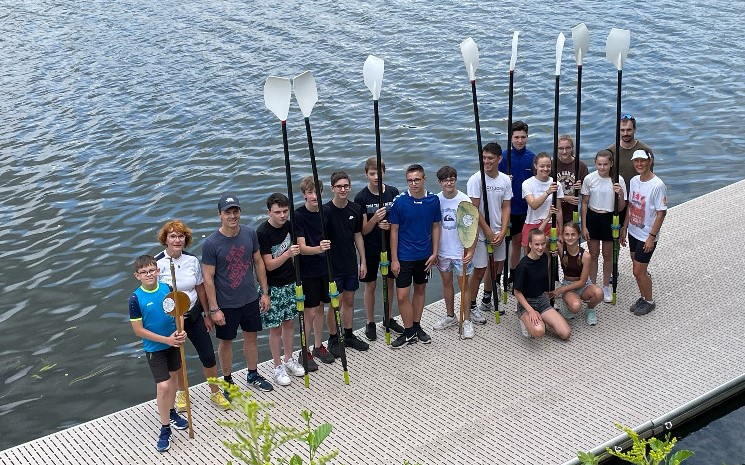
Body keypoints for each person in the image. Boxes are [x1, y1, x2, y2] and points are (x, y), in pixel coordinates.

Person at [155, 220, 231, 411]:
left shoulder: (192, 260)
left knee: (208, 355)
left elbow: (200, 288)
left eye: (181, 236)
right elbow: (154, 294)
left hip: (194, 314)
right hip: (172, 319)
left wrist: (206, 313)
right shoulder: (157, 263)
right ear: (165, 239)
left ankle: (215, 391)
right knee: (178, 359)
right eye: (172, 236)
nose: (177, 240)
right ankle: (182, 392)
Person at [202, 194, 273, 395]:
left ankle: (253, 374)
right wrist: (213, 309)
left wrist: (264, 293)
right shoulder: (211, 244)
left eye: (235, 211)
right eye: (228, 212)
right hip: (226, 304)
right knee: (226, 342)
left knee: (251, 337)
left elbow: (258, 262)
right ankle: (227, 381)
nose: (232, 216)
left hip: (250, 298)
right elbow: (208, 278)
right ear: (220, 215)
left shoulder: (250, 233)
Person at [128, 255, 189, 452]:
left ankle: (171, 412)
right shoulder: (135, 299)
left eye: (151, 270)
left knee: (174, 378)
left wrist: (180, 330)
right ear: (137, 275)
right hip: (155, 348)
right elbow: (138, 330)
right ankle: (165, 429)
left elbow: (178, 313)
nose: (149, 275)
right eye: (144, 272)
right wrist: (166, 340)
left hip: (174, 342)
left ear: (157, 271)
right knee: (163, 385)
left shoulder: (167, 289)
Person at [257, 193, 307, 386]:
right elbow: (268, 265)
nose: (282, 215)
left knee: (289, 323)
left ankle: (289, 358)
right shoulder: (263, 232)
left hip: (290, 282)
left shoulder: (290, 226)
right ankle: (277, 366)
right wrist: (287, 254)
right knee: (275, 328)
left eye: (285, 211)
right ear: (269, 212)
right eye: (278, 212)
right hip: (273, 286)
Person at [389, 164, 441, 349]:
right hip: (404, 256)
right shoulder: (400, 202)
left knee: (420, 289)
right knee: (402, 295)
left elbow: (436, 226)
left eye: (417, 180)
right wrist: (394, 259)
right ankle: (408, 330)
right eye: (410, 181)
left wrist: (435, 252)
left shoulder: (433, 200)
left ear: (424, 179)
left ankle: (416, 327)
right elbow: (394, 231)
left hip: (424, 255)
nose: (413, 184)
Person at [354, 157, 404, 341]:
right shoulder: (361, 197)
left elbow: (397, 222)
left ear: (384, 172)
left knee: (390, 282)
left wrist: (389, 225)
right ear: (366, 174)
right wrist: (374, 220)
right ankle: (370, 322)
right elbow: (363, 230)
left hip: (389, 244)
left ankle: (388, 317)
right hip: (371, 246)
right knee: (371, 285)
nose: (376, 177)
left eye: (379, 173)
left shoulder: (393, 192)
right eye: (372, 173)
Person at [324, 172, 369, 355]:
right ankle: (333, 338)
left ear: (350, 187)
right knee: (336, 302)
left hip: (350, 262)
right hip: (332, 266)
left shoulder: (355, 209)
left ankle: (348, 334)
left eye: (346, 186)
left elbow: (358, 235)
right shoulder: (325, 211)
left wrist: (363, 261)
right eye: (339, 186)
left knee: (349, 299)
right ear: (332, 188)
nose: (343, 189)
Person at [466, 142, 512, 320]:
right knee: (479, 270)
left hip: (499, 231)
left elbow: (506, 206)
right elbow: (474, 209)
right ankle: (471, 306)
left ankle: (486, 300)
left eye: (490, 158)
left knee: (496, 267)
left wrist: (503, 230)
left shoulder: (505, 180)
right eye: (484, 158)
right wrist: (488, 232)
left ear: (499, 159)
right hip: (480, 232)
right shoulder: (476, 179)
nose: (486, 161)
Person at [294, 176, 335, 365]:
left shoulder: (326, 211)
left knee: (320, 308)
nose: (314, 196)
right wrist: (319, 248)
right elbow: (301, 248)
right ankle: (305, 350)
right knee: (309, 312)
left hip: (324, 267)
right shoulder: (298, 216)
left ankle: (318, 346)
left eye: (317, 192)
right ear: (304, 194)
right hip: (307, 270)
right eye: (310, 193)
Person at [621, 149, 667, 316]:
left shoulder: (658, 185)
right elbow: (631, 205)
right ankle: (643, 296)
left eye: (643, 160)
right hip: (634, 231)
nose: (639, 164)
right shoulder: (634, 181)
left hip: (646, 235)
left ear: (650, 161)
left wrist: (651, 237)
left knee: (638, 271)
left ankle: (649, 301)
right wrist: (624, 227)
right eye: (636, 161)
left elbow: (661, 213)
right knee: (636, 266)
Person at [432, 166, 476, 338]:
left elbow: (473, 227)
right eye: (445, 180)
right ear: (440, 182)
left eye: (451, 180)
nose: (449, 183)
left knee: (464, 286)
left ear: (456, 180)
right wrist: (434, 251)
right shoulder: (436, 200)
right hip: (443, 251)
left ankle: (467, 320)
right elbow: (432, 226)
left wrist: (471, 250)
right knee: (446, 283)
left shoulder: (464, 200)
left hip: (461, 252)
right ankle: (450, 316)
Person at [580, 149, 627, 303]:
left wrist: (620, 194)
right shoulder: (589, 179)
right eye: (599, 164)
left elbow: (621, 207)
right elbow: (584, 203)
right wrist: (584, 226)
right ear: (595, 164)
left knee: (608, 255)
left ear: (611, 164)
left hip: (609, 218)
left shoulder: (618, 180)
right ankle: (593, 285)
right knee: (593, 254)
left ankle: (606, 285)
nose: (602, 167)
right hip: (593, 217)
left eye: (605, 164)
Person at [513, 229, 571, 340]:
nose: (540, 247)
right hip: (526, 303)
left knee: (566, 333)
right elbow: (517, 292)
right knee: (539, 332)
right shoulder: (523, 266)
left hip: (541, 299)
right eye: (537, 244)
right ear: (530, 244)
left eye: (543, 244)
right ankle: (525, 319)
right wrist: (531, 311)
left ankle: (542, 318)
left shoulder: (544, 257)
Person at [499, 121, 536, 288]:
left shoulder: (532, 158)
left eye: (523, 137)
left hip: (525, 209)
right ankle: (498, 276)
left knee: (518, 243)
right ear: (511, 138)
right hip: (507, 208)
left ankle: (513, 275)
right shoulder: (503, 157)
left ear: (527, 137)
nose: (520, 140)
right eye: (516, 137)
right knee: (502, 244)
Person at [549, 222, 604, 325]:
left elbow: (582, 281)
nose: (570, 238)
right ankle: (568, 304)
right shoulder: (561, 248)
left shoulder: (586, 256)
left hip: (583, 285)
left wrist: (560, 290)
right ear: (563, 236)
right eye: (567, 234)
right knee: (575, 307)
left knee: (599, 293)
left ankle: (590, 309)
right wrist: (552, 249)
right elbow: (543, 238)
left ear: (578, 236)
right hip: (568, 285)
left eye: (573, 234)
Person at [522, 152, 564, 254]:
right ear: (535, 166)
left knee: (549, 257)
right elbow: (533, 205)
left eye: (548, 166)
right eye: (542, 166)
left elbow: (559, 210)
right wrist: (548, 192)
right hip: (532, 224)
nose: (545, 169)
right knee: (530, 257)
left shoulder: (556, 184)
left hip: (551, 225)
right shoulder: (527, 183)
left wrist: (561, 233)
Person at [607, 114, 653, 192]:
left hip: (639, 194)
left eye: (629, 130)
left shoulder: (646, 150)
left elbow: (650, 177)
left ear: (635, 129)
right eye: (622, 130)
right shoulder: (610, 151)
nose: (625, 133)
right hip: (617, 194)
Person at [556, 135, 589, 225]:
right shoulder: (551, 164)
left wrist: (581, 188)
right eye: (561, 148)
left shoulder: (581, 166)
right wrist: (565, 198)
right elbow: (546, 190)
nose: (564, 151)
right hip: (555, 211)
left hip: (573, 211)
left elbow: (587, 192)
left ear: (572, 148)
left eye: (567, 148)